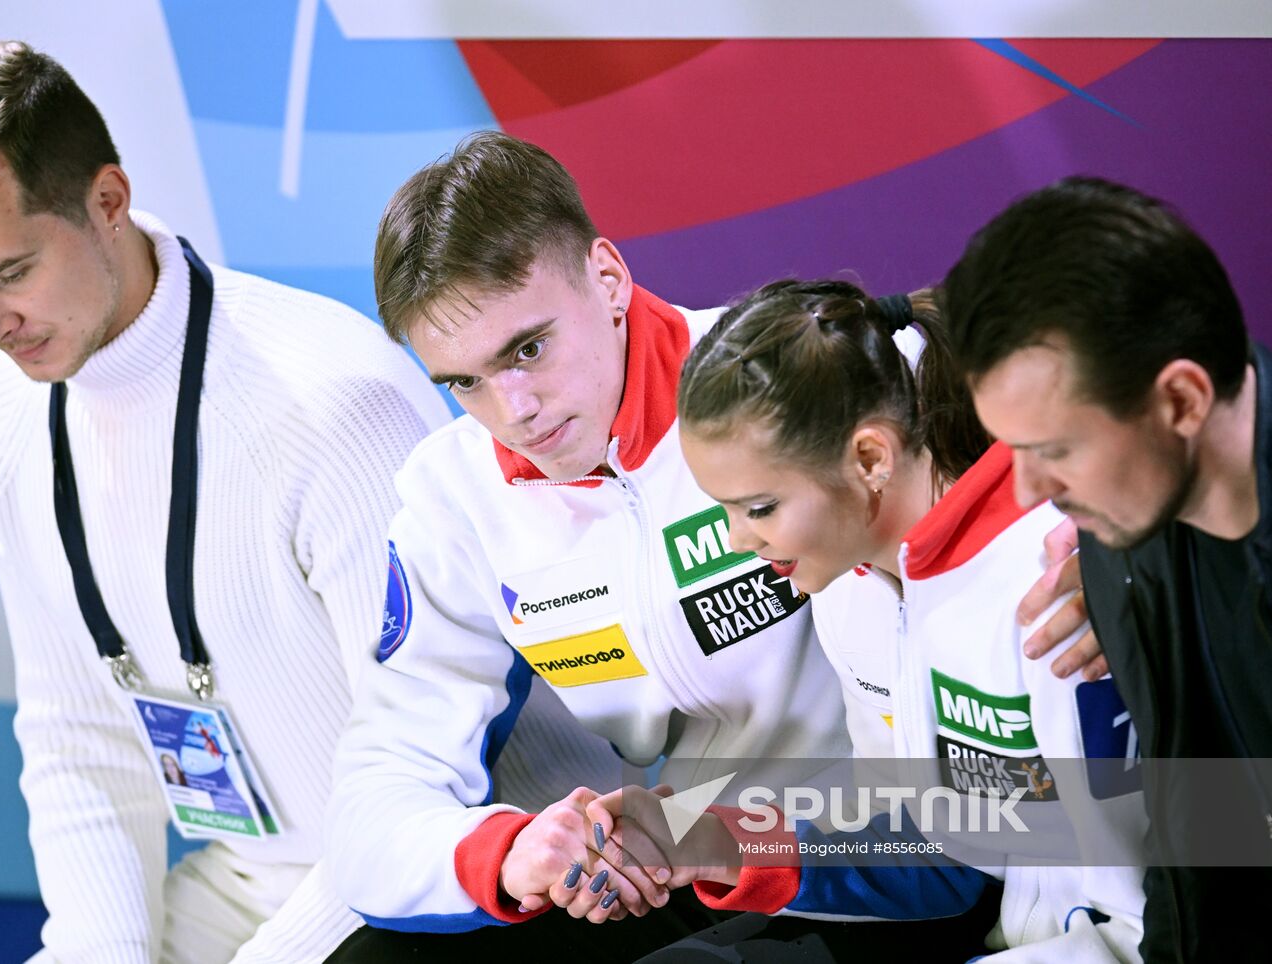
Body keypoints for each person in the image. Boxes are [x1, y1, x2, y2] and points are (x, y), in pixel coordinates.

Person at [322, 131, 1097, 959]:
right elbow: (380, 795)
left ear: (608, 278)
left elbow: (1131, 418)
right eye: (464, 382)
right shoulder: (453, 498)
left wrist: (1122, 560)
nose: (513, 410)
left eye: (529, 348)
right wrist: (513, 853)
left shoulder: (797, 384)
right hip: (696, 844)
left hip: (883, 853)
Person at [0, 41, 451, 963]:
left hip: (446, 876)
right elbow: (80, 741)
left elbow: (436, 779)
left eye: (10, 274)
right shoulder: (2, 414)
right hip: (249, 881)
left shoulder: (333, 404)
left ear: (108, 202)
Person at [662, 279, 1146, 960]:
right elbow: (950, 850)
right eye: (726, 510)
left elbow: (1164, 919)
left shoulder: (1054, 590)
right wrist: (721, 845)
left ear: (869, 459)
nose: (739, 542)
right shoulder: (843, 589)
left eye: (760, 507)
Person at [944, 175, 1272, 963]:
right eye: (1012, 449)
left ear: (1183, 401)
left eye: (1055, 450)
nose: (1030, 491)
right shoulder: (1119, 537)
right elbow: (1201, 850)